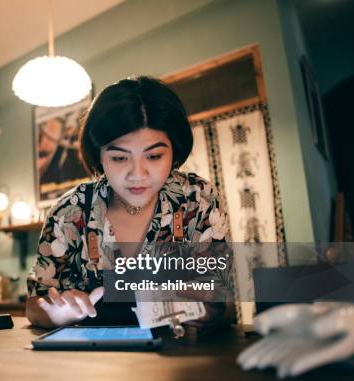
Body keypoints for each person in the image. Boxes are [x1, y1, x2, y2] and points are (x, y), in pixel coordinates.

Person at [26, 76, 234, 329]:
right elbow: (36, 303)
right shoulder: (70, 210)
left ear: (174, 151)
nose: (138, 174)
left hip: (178, 362)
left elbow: (227, 307)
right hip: (90, 363)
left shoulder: (196, 199)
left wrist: (203, 306)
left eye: (154, 156)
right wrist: (55, 314)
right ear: (99, 156)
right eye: (119, 158)